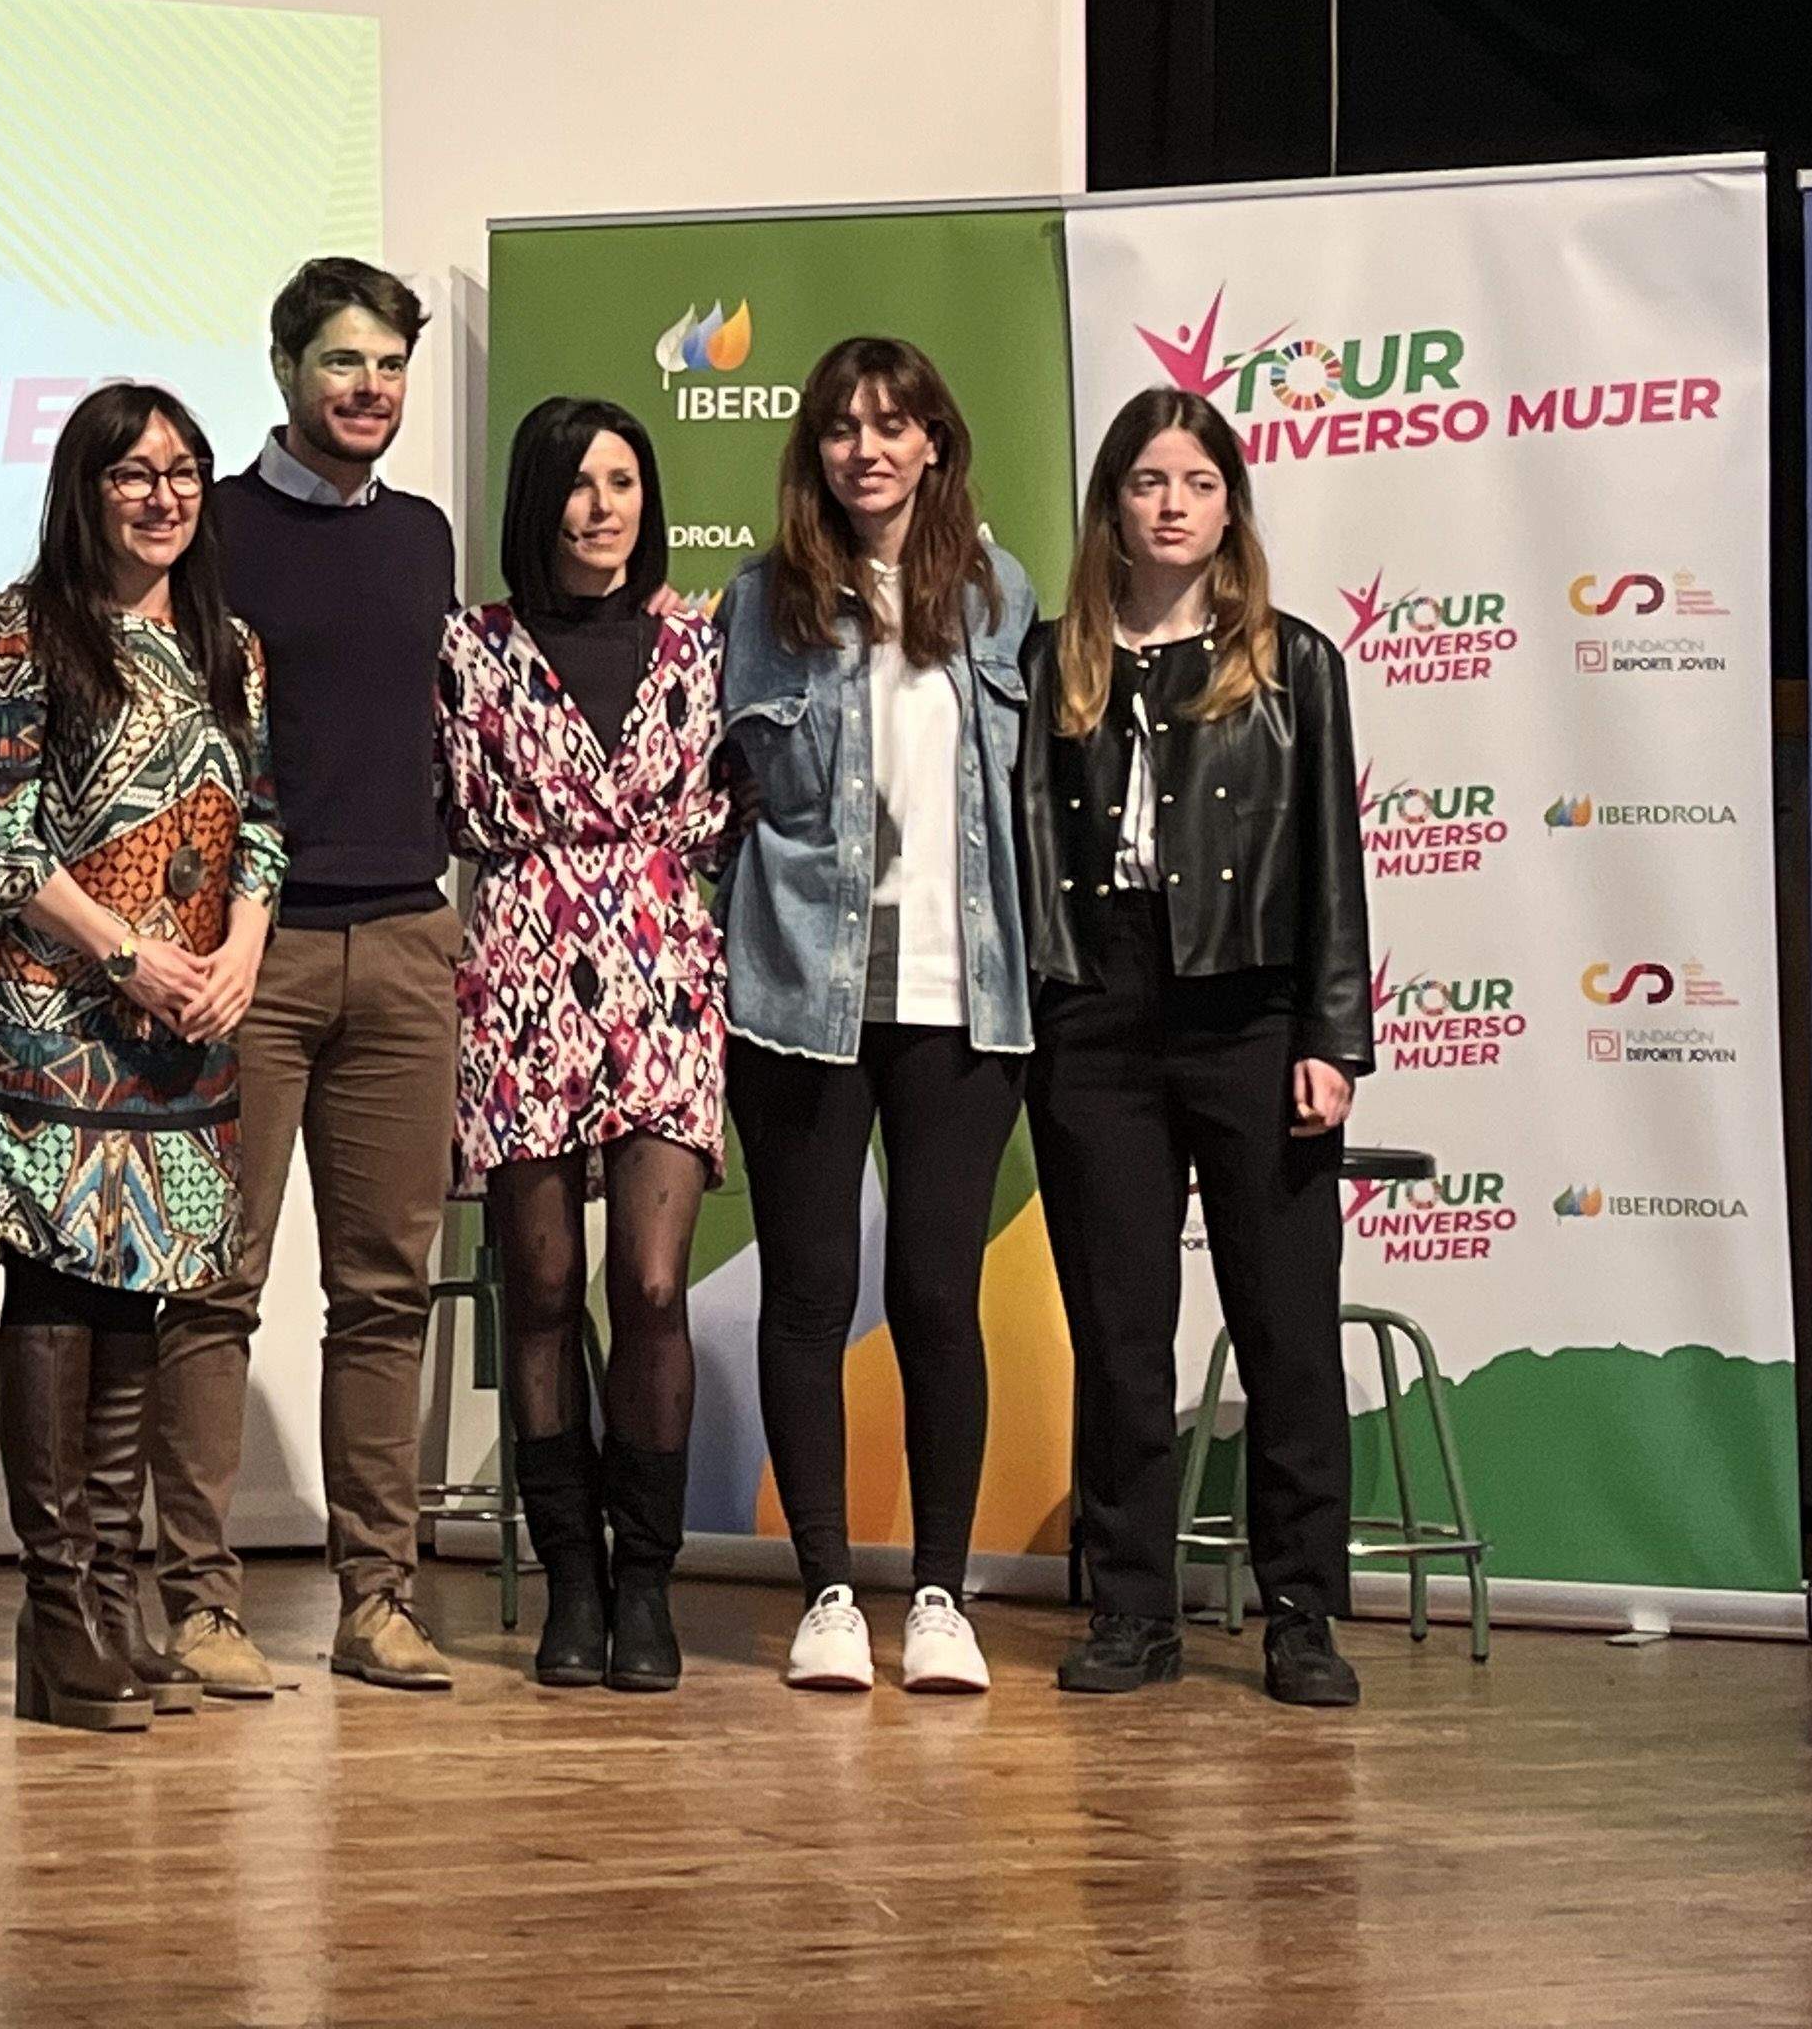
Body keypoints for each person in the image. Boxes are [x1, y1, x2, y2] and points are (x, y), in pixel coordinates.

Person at [1021, 386, 1370, 1710]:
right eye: (1148, 481)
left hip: (1254, 1017)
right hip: (1096, 1018)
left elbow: (1333, 862)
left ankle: (1302, 1614)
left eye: (1199, 483)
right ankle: (1131, 1611)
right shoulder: (1050, 664)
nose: (1172, 506)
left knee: (1287, 1330)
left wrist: (1333, 1036)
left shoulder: (1295, 664)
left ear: (1232, 508)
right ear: (1111, 505)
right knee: (1119, 1335)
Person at [154, 257, 462, 1699]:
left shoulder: (423, 536)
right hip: (247, 953)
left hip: (406, 942)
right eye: (344, 361)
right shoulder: (210, 530)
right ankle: (197, 1603)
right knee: (215, 1284)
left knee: (386, 1294)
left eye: (391, 365)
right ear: (284, 370)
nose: (371, 389)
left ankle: (377, 1600)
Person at [0, 384, 283, 1734]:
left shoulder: (229, 643)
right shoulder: (24, 627)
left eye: (184, 471)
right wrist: (126, 954)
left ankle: (110, 1594)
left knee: (140, 1296)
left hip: (185, 1026)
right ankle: (57, 1611)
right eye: (134, 473)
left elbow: (261, 822)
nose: (163, 496)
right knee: (56, 1283)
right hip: (52, 1015)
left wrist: (243, 947)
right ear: (84, 490)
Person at [716, 335, 1034, 1700]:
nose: (868, 449)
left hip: (963, 1000)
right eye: (844, 427)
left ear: (935, 443)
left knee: (937, 1299)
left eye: (894, 424)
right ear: (817, 451)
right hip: (800, 993)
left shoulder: (1000, 594)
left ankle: (944, 1598)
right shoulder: (762, 600)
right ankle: (829, 1593)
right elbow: (717, 795)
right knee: (807, 1295)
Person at [437, 396, 731, 1695]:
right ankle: (572, 1581)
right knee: (545, 1290)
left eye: (623, 480)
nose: (601, 506)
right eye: (576, 482)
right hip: (521, 968)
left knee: (653, 1286)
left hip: (664, 969)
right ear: (536, 501)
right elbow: (444, 808)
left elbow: (739, 807)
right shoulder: (470, 646)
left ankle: (647, 1583)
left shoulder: (702, 646)